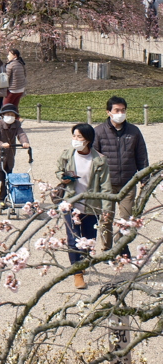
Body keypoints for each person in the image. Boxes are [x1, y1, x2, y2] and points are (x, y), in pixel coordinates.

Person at [57, 123, 112, 290]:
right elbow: (59, 171)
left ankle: (83, 263)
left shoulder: (99, 160)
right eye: (74, 136)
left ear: (88, 140)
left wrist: (107, 209)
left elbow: (106, 186)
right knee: (73, 240)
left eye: (79, 137)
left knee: (89, 240)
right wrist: (63, 177)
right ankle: (77, 273)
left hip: (91, 205)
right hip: (70, 203)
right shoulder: (67, 155)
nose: (75, 139)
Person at [93, 96, 149, 253]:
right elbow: (93, 159)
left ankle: (121, 248)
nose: (120, 113)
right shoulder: (98, 131)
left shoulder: (134, 131)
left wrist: (145, 178)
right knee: (105, 219)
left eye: (123, 110)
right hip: (106, 184)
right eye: (117, 110)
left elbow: (141, 155)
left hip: (128, 182)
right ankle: (106, 249)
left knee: (126, 219)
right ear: (108, 112)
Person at [0, 104, 30, 206]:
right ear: (3, 115)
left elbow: (21, 134)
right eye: (8, 114)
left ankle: (2, 199)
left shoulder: (17, 124)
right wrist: (1, 144)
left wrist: (25, 142)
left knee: (6, 179)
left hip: (9, 156)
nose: (10, 117)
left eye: (12, 115)